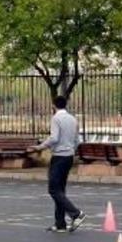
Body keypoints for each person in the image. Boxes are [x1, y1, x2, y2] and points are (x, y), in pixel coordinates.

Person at [29, 96, 86, 233]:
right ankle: (60, 223)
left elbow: (54, 138)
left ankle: (76, 213)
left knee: (53, 189)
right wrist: (72, 150)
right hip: (69, 156)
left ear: (53, 105)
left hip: (59, 156)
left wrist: (40, 147)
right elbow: (77, 140)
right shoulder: (73, 119)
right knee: (60, 190)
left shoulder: (56, 119)